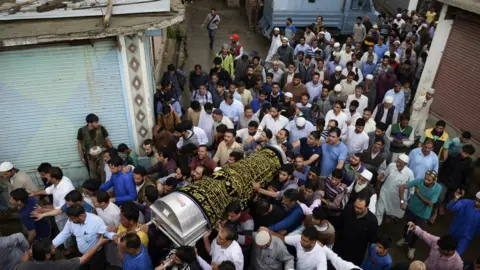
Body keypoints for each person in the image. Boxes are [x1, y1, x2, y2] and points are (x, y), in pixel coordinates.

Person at [52, 205, 117, 270]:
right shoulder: (70, 222)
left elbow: (106, 232)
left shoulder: (96, 220)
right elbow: (64, 234)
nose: (70, 220)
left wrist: (114, 236)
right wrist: (53, 245)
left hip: (96, 256)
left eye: (72, 218)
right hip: (81, 255)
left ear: (81, 216)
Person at [397, 170, 442, 259]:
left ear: (434, 180)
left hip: (423, 214)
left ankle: (412, 248)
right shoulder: (418, 181)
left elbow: (430, 203)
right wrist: (402, 202)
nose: (426, 181)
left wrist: (418, 193)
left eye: (429, 180)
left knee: (417, 232)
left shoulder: (437, 188)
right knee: (407, 225)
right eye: (425, 178)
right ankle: (405, 238)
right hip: (411, 209)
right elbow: (402, 187)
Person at [15, 236, 110, 270]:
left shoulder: (24, 266)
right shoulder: (60, 265)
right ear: (47, 255)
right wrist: (98, 244)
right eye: (52, 248)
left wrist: (27, 256)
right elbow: (84, 258)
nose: (54, 247)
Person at [334, 197, 378, 266]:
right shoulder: (347, 209)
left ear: (366, 207)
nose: (356, 209)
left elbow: (372, 240)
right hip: (339, 248)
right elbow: (338, 225)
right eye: (355, 206)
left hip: (355, 255)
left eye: (360, 208)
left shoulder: (372, 221)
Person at [376, 154, 414, 225]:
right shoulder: (391, 166)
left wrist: (406, 201)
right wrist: (380, 179)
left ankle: (389, 216)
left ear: (405, 164)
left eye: (400, 163)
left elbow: (412, 188)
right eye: (397, 161)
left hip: (397, 198)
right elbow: (384, 176)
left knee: (392, 211)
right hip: (385, 192)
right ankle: (376, 226)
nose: (397, 164)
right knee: (379, 211)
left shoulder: (409, 173)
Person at [77, 113, 112, 182]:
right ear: (90, 123)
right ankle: (95, 188)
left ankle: (104, 186)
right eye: (96, 122)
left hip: (102, 153)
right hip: (90, 155)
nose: (98, 124)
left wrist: (112, 151)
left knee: (103, 170)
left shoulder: (101, 128)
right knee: (93, 172)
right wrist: (81, 156)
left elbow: (107, 140)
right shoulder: (81, 130)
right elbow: (79, 143)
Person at [446, 190, 480, 255]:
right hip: (454, 231)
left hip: (466, 237)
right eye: (476, 199)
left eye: (479, 201)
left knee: (457, 255)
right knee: (446, 249)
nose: (477, 202)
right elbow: (450, 207)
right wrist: (455, 199)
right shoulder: (465, 202)